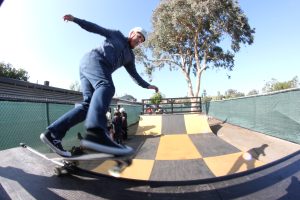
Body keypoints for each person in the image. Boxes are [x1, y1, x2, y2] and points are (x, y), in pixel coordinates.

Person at [40, 14, 159, 157]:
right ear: (132, 33)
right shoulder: (116, 35)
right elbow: (95, 28)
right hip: (93, 60)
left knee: (87, 106)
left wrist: (147, 86)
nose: (140, 41)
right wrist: (75, 20)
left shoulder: (130, 57)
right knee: (107, 86)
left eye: (142, 40)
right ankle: (96, 133)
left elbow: (135, 76)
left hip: (89, 69)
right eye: (139, 37)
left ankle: (53, 134)